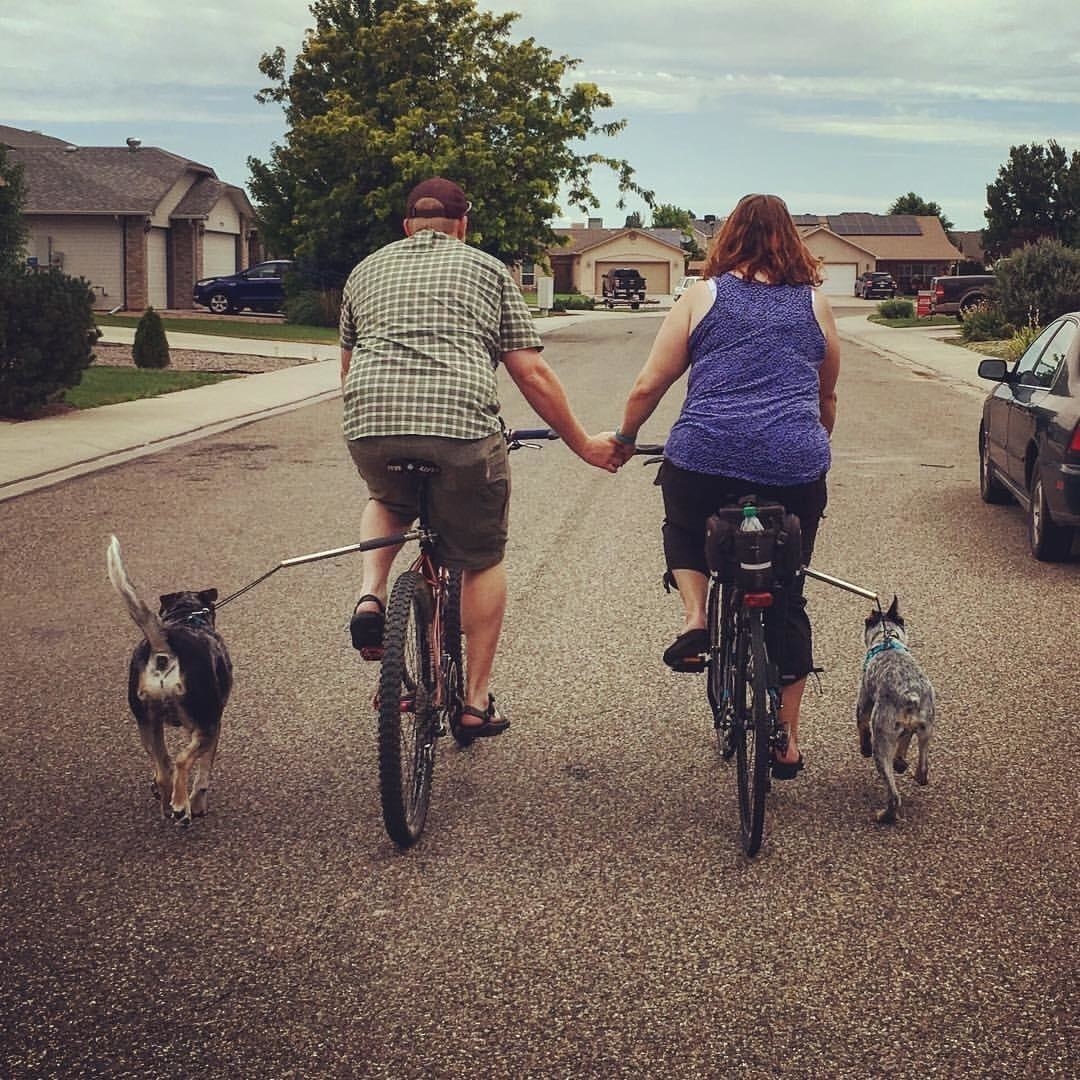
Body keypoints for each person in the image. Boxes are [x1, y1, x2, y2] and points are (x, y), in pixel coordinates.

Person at [340, 177, 621, 737]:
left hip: (370, 421)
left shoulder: (365, 269)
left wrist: (376, 426)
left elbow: (348, 365)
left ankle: (370, 595)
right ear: (463, 225)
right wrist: (584, 444)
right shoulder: (489, 270)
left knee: (387, 501)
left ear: (406, 226)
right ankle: (474, 700)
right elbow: (530, 371)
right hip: (461, 431)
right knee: (482, 557)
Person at [612, 193, 840, 779]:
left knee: (682, 525)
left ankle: (695, 618)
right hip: (794, 466)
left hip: (705, 457)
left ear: (728, 237)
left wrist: (625, 436)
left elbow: (649, 384)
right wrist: (813, 449)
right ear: (791, 239)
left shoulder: (701, 296)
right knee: (787, 589)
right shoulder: (815, 305)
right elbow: (826, 396)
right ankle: (786, 741)